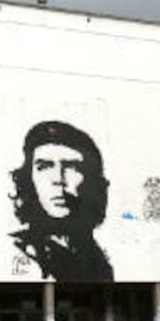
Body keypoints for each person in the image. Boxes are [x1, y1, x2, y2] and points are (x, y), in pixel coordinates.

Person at [9, 121, 113, 282]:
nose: (58, 179)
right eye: (44, 167)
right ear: (29, 178)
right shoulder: (16, 251)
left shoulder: (98, 259)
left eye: (71, 167)